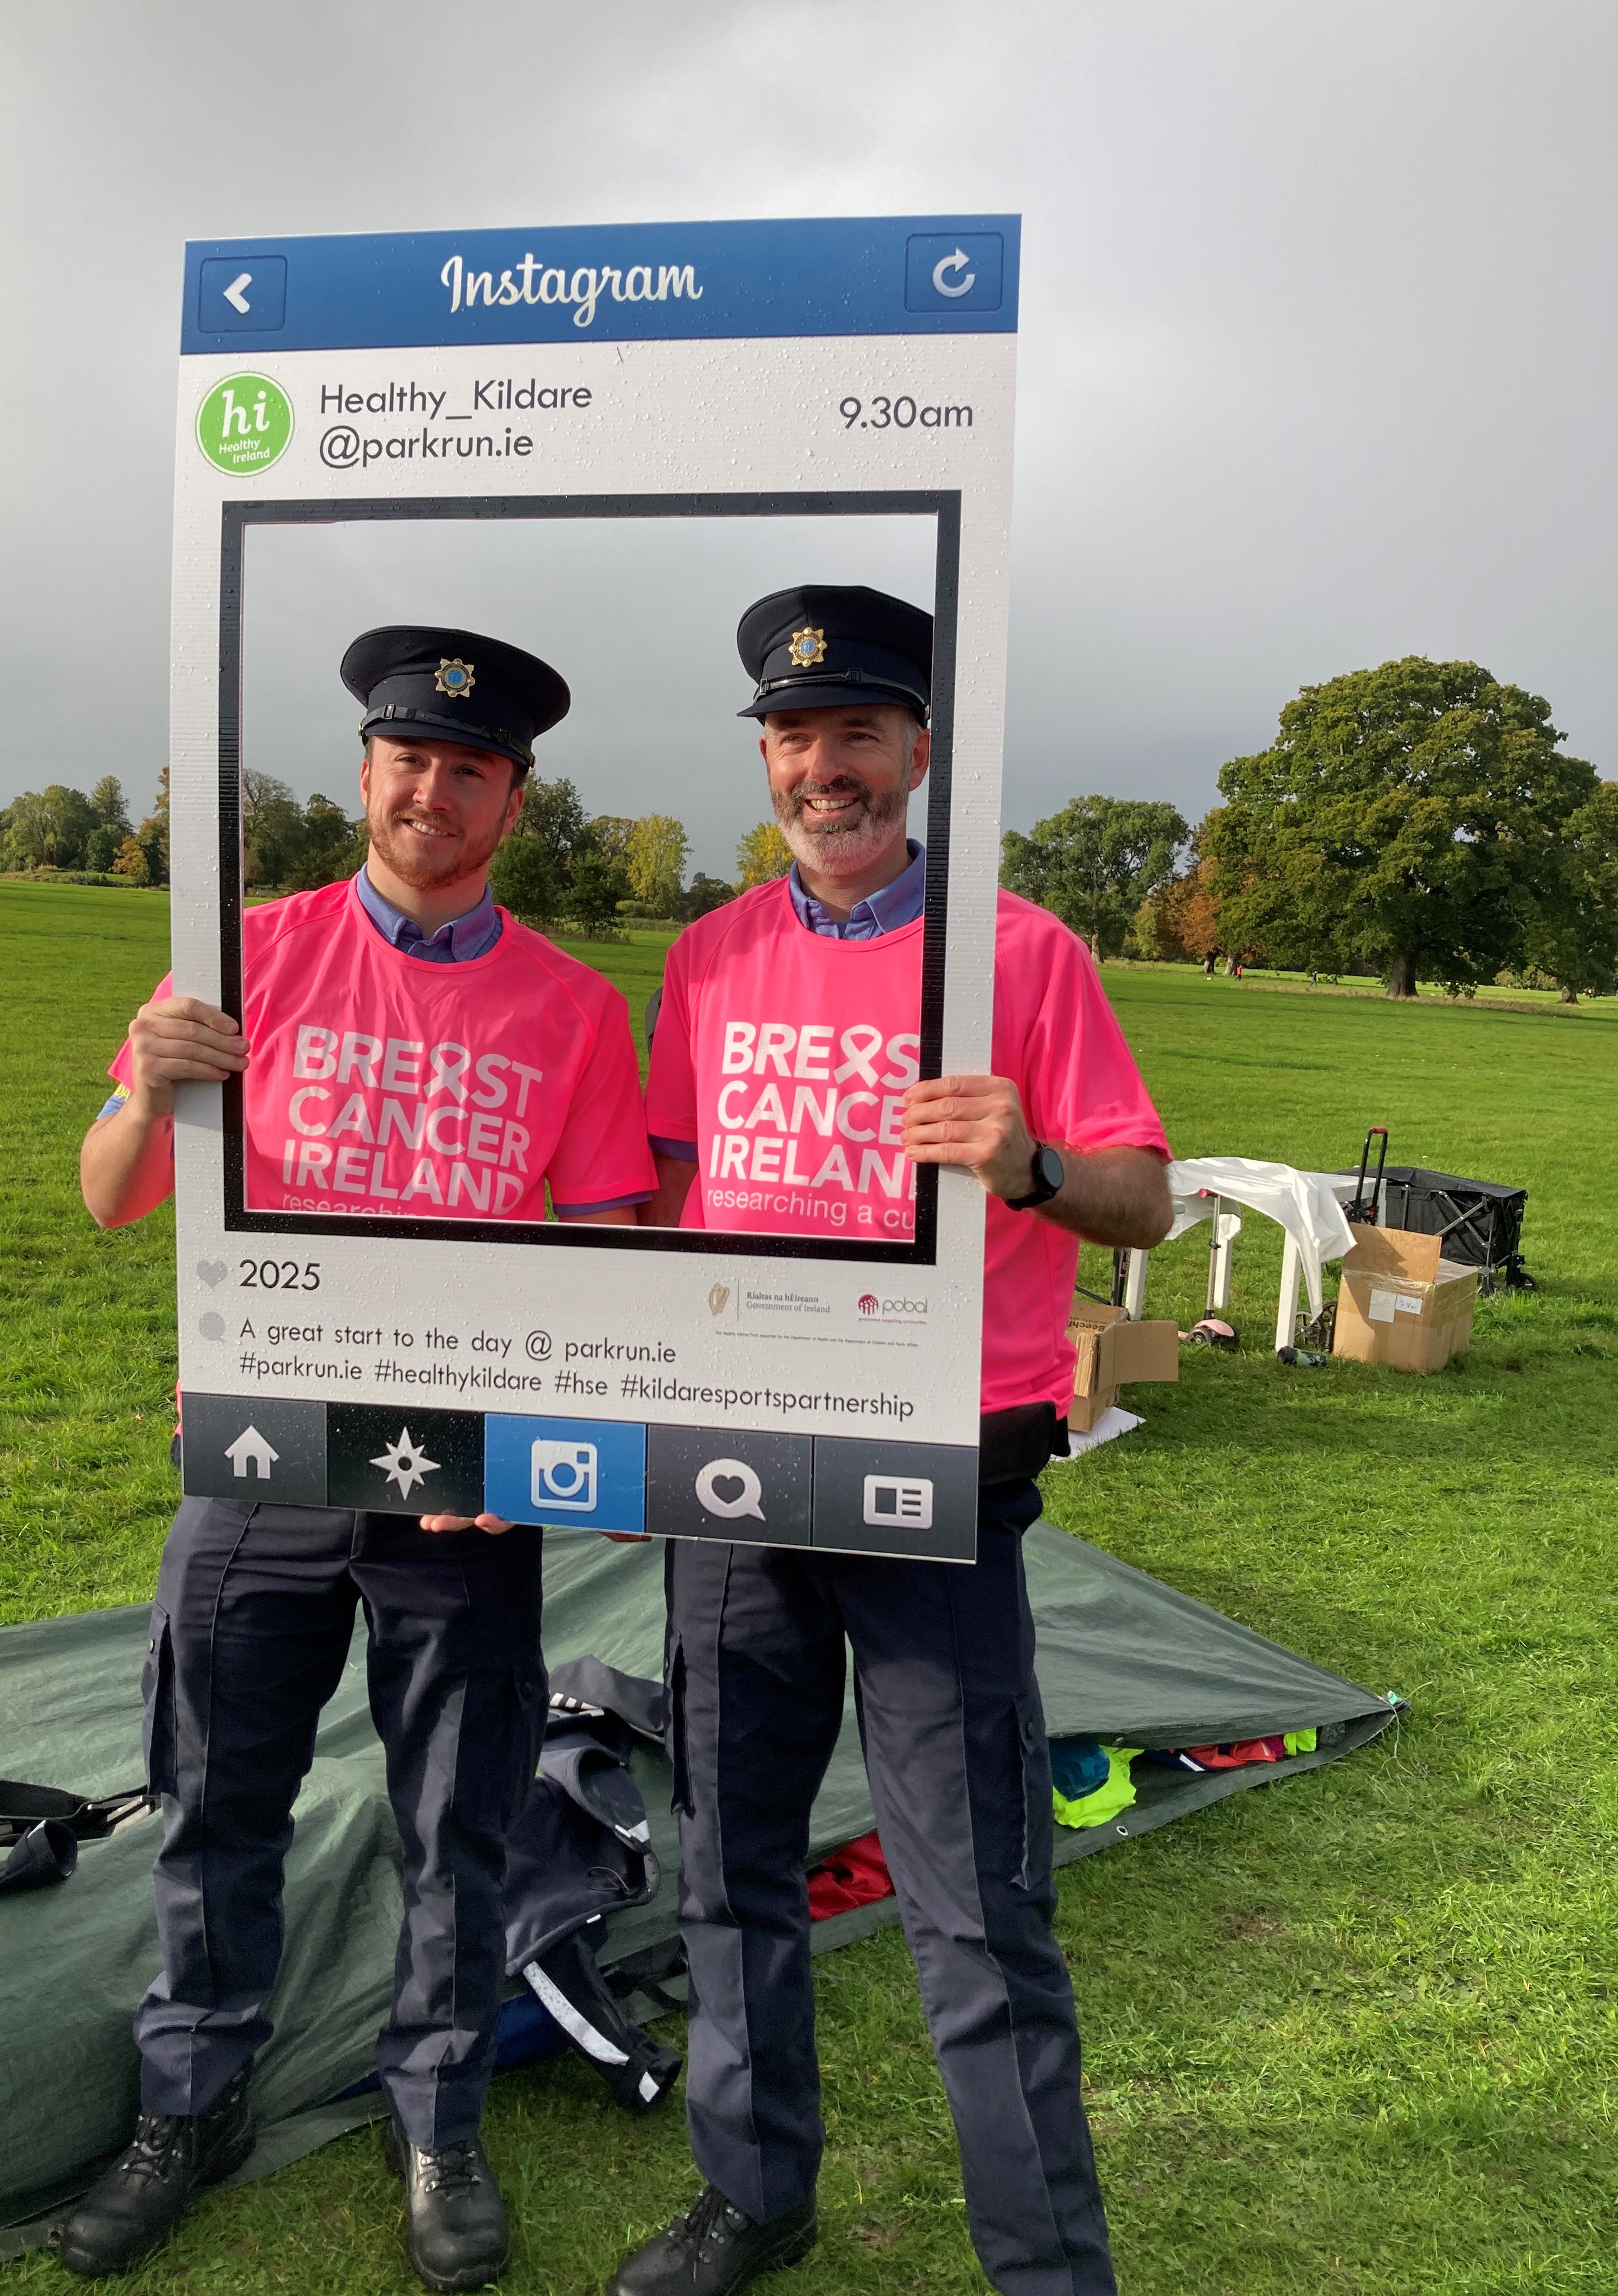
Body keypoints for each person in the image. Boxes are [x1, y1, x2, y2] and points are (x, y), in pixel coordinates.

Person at [61, 626, 655, 2291]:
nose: (432, 791)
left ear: (511, 803)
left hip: (462, 1484)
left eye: (470, 769)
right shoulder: (239, 962)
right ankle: (191, 2100)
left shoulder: (571, 1009)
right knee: (213, 1802)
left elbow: (611, 1260)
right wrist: (146, 1088)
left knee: (457, 1823)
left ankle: (437, 2111)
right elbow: (113, 1194)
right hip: (257, 1461)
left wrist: (548, 1448)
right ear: (367, 773)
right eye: (409, 759)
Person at [608, 586, 1173, 2296]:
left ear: (919, 752)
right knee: (728, 1866)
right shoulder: (709, 958)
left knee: (976, 1909)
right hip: (733, 1476)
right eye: (792, 735)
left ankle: (1041, 2265)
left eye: (857, 731)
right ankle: (754, 2193)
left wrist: (1024, 1165)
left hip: (938, 1480)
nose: (822, 766)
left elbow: (1139, 1191)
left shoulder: (1021, 952)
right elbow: (655, 1202)